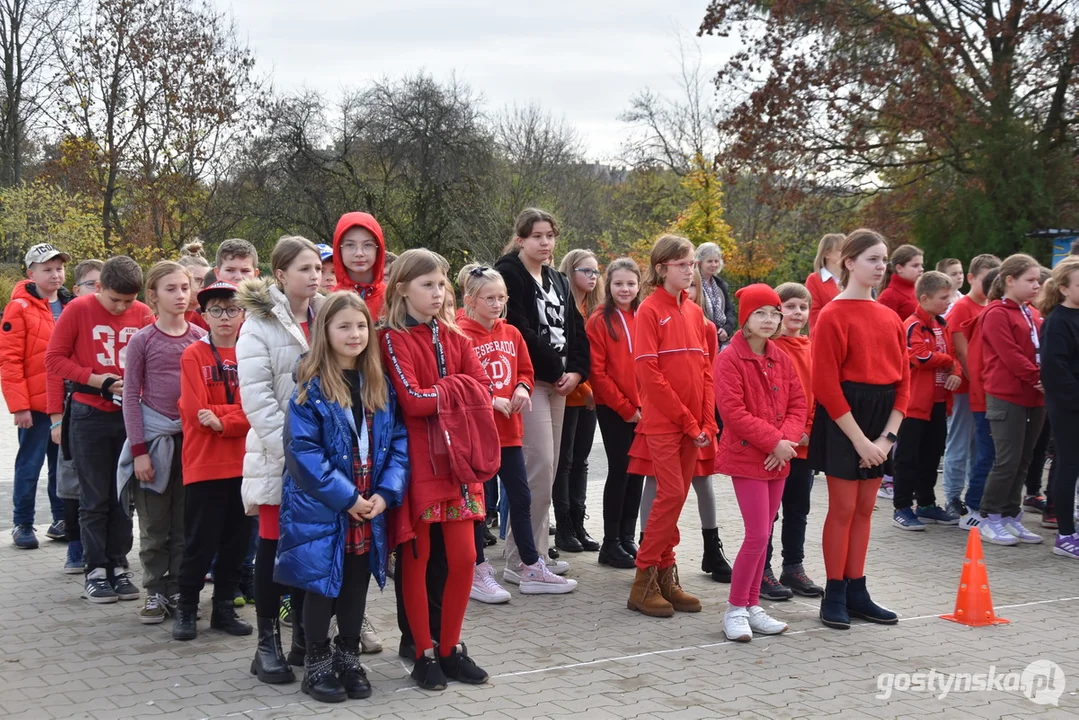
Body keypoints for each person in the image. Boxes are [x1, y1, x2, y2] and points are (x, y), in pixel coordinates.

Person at [277, 292, 408, 703]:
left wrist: (386, 493)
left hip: (370, 506)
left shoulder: (378, 383)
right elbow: (303, 453)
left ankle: (348, 657)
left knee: (355, 585)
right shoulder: (310, 386)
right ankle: (316, 663)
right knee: (322, 587)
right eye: (344, 326)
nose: (355, 334)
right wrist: (347, 497)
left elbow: (398, 443)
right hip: (324, 509)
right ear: (325, 332)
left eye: (361, 326)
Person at [380, 249, 499, 690]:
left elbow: (484, 391)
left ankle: (450, 649)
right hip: (419, 462)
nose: (437, 292)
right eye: (427, 284)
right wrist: (460, 389)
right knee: (417, 558)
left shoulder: (456, 338)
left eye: (441, 285)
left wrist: (447, 390)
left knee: (465, 559)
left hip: (460, 462)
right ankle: (424, 652)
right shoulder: (391, 339)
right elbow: (411, 401)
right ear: (402, 289)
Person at [237, 235, 325, 684]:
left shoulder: (328, 313)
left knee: (310, 549)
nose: (314, 276)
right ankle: (265, 644)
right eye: (305, 269)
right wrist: (293, 454)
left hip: (325, 457)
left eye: (317, 268)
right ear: (281, 275)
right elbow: (257, 398)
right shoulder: (259, 323)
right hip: (278, 458)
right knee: (272, 549)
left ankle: (304, 641)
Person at [810, 229, 908, 630]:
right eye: (872, 258)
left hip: (882, 422)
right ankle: (833, 593)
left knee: (867, 510)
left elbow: (905, 383)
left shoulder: (890, 317)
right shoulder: (833, 313)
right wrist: (860, 440)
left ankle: (857, 592)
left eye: (884, 259)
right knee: (844, 509)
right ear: (849, 263)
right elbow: (826, 385)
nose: (881, 266)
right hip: (845, 420)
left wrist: (886, 438)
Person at [459, 264, 576, 599]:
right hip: (478, 434)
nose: (497, 304)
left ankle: (529, 565)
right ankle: (477, 569)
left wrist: (523, 387)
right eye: (489, 298)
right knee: (477, 503)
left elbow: (525, 369)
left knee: (521, 496)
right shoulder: (460, 334)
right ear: (470, 300)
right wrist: (490, 399)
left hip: (510, 431)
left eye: (501, 298)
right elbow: (459, 381)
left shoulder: (511, 333)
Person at [45, 256, 154, 603]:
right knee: (94, 497)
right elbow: (55, 359)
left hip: (130, 415)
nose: (123, 307)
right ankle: (94, 568)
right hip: (89, 413)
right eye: (115, 300)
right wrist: (96, 380)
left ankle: (119, 564)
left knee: (123, 495)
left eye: (129, 300)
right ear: (99, 287)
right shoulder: (78, 310)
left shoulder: (143, 314)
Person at [495, 208, 589, 579]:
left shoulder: (558, 279)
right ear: (521, 239)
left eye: (550, 235)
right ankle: (521, 559)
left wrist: (578, 371)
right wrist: (557, 369)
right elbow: (518, 328)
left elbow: (577, 328)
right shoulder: (509, 274)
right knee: (537, 468)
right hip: (530, 381)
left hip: (562, 383)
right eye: (537, 236)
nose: (545, 242)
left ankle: (533, 553)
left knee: (548, 472)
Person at [626, 234, 716, 618]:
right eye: (682, 264)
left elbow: (706, 371)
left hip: (694, 425)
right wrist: (685, 419)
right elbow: (649, 373)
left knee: (676, 498)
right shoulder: (648, 309)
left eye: (692, 263)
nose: (689, 270)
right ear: (662, 268)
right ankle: (642, 579)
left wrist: (707, 421)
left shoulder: (695, 312)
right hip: (665, 424)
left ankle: (665, 573)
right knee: (670, 494)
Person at [716, 284, 807, 642]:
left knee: (765, 533)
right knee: (756, 535)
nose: (769, 321)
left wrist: (784, 442)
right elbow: (733, 412)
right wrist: (775, 441)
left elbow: (800, 402)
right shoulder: (729, 358)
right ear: (746, 319)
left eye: (774, 314)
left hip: (778, 458)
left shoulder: (780, 356)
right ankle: (735, 608)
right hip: (747, 456)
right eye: (761, 314)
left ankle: (753, 605)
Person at [119, 261, 207, 624]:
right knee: (155, 525)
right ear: (153, 296)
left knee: (186, 524)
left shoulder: (200, 338)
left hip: (192, 444)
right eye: (171, 289)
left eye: (185, 288)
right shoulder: (143, 340)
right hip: (155, 443)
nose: (180, 295)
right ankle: (154, 590)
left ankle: (179, 589)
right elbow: (129, 397)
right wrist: (139, 451)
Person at [173, 280, 253, 640]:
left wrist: (224, 420)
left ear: (243, 314)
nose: (225, 317)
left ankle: (223, 609)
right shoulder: (193, 355)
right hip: (205, 465)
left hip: (245, 464)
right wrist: (233, 415)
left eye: (232, 309)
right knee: (199, 543)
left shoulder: (252, 353)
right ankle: (187, 608)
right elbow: (193, 412)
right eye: (216, 310)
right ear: (202, 315)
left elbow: (261, 408)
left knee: (236, 543)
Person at [2, 243, 72, 549]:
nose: (55, 275)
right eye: (47, 269)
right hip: (34, 405)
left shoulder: (71, 305)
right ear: (31, 273)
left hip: (66, 404)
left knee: (62, 466)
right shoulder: (19, 308)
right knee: (29, 465)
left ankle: (60, 520)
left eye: (59, 268)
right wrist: (19, 406)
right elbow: (10, 359)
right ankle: (23, 523)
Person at [976, 254, 1046, 546]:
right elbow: (1010, 355)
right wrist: (1037, 377)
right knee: (1007, 459)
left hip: (1035, 395)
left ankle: (1010, 515)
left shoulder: (1029, 311)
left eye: (1037, 280)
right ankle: (989, 517)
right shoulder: (996, 313)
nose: (1037, 285)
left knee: (1025, 458)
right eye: (1030, 280)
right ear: (1009, 280)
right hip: (1007, 396)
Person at [891, 271, 962, 531]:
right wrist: (949, 362)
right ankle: (901, 507)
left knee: (932, 456)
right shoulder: (912, 324)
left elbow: (953, 356)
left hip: (939, 402)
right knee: (908, 458)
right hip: (914, 404)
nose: (949, 301)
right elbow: (920, 358)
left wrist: (955, 371)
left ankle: (926, 503)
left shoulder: (941, 324)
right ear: (924, 298)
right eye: (944, 297)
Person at [768, 282, 824, 598]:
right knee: (769, 512)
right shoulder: (771, 349)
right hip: (777, 445)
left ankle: (793, 568)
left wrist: (808, 430)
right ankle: (762, 571)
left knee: (797, 509)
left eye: (803, 308)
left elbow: (817, 394)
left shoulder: (811, 348)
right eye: (790, 306)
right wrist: (784, 434)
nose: (797, 313)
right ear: (778, 311)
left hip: (804, 446)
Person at [587, 258, 644, 569]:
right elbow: (598, 373)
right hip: (615, 409)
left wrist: (646, 406)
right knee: (621, 470)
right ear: (608, 286)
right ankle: (610, 543)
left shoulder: (643, 315)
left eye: (630, 284)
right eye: (619, 283)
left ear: (639, 286)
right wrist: (626, 409)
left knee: (638, 472)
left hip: (645, 408)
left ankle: (626, 537)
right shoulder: (599, 319)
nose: (625, 289)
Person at [940, 254, 1001, 518]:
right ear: (972, 278)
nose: (991, 283)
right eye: (987, 278)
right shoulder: (963, 307)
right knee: (959, 443)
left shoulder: (991, 305)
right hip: (968, 387)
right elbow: (962, 352)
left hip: (985, 387)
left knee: (979, 446)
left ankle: (973, 497)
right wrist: (979, 383)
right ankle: (953, 497)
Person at [55, 259, 104, 573]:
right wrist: (54, 418)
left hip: (107, 410)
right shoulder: (73, 316)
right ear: (76, 290)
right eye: (91, 284)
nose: (97, 291)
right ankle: (75, 547)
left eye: (103, 284)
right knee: (72, 484)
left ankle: (105, 551)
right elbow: (52, 371)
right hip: (74, 410)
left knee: (104, 488)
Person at [553, 249, 602, 554]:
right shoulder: (562, 305)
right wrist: (585, 390)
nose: (593, 278)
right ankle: (564, 527)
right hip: (569, 394)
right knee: (564, 463)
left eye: (596, 272)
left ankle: (579, 522)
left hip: (592, 397)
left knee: (581, 462)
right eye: (586, 271)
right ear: (570, 272)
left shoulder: (597, 310)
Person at [1037, 258, 1079, 557]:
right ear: (1063, 288)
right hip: (1069, 408)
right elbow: (1055, 371)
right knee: (1068, 465)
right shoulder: (1058, 321)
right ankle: (1065, 535)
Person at [331, 212, 387, 319]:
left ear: (378, 249)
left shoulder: (392, 299)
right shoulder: (331, 302)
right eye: (350, 245)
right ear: (339, 249)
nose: (359, 253)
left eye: (368, 245)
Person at [695, 242, 737, 346]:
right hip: (701, 339)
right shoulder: (693, 284)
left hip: (721, 341)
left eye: (716, 261)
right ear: (700, 262)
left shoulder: (720, 285)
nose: (714, 265)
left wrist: (727, 329)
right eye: (709, 261)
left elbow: (730, 309)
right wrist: (714, 330)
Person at [805, 233, 844, 333]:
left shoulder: (853, 278)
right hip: (825, 335)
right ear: (827, 254)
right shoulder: (814, 279)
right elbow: (813, 315)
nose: (847, 253)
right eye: (841, 250)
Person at [876, 244, 924, 319]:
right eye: (915, 265)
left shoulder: (919, 290)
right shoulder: (889, 296)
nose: (921, 269)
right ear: (899, 268)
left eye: (921, 265)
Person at [178, 241, 211, 330]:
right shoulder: (167, 317)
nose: (203, 285)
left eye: (206, 280)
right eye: (197, 280)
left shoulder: (214, 315)